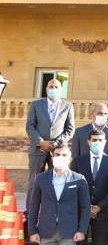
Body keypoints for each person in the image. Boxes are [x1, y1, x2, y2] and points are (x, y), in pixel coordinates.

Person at [25, 78, 75, 218]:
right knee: (34, 181)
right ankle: (30, 213)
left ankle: (55, 213)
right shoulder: (36, 105)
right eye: (51, 87)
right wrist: (41, 142)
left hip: (58, 150)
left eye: (56, 87)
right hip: (38, 149)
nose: (53, 89)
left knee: (58, 180)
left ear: (61, 90)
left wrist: (56, 143)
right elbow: (30, 126)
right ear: (46, 89)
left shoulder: (67, 106)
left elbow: (70, 129)